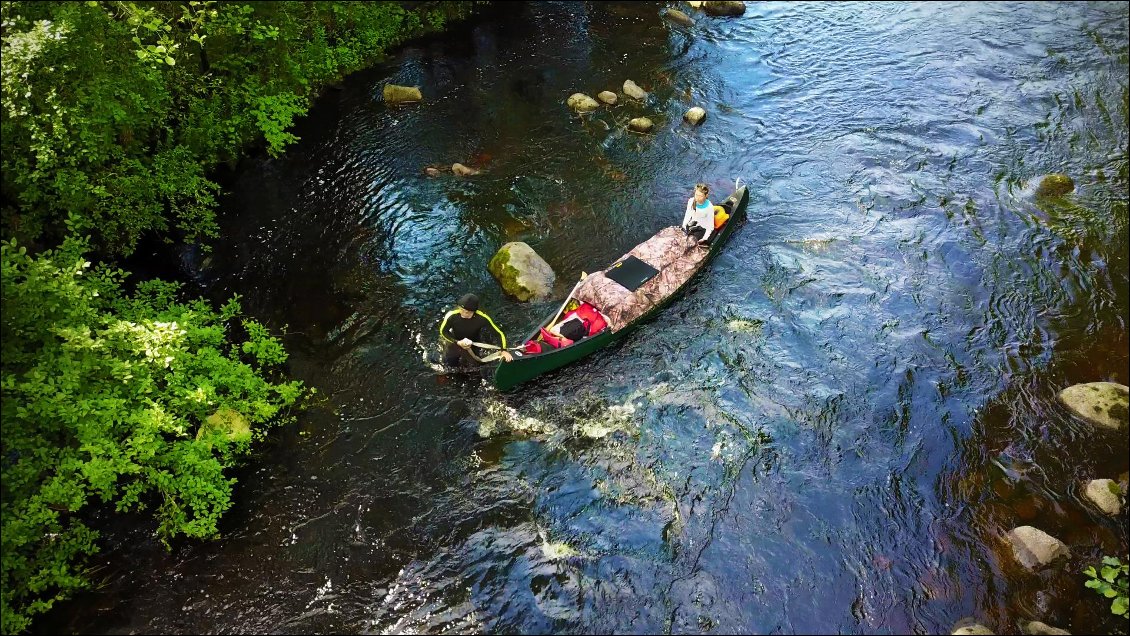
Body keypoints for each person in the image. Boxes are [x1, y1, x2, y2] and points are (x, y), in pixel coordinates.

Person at [438, 293, 513, 367]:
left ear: (473, 311)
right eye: (461, 309)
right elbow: (443, 331)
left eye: (466, 312)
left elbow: (499, 333)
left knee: (476, 366)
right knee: (448, 364)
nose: (462, 313)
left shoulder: (482, 318)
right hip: (455, 341)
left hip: (473, 343)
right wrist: (457, 342)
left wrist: (504, 350)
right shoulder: (452, 316)